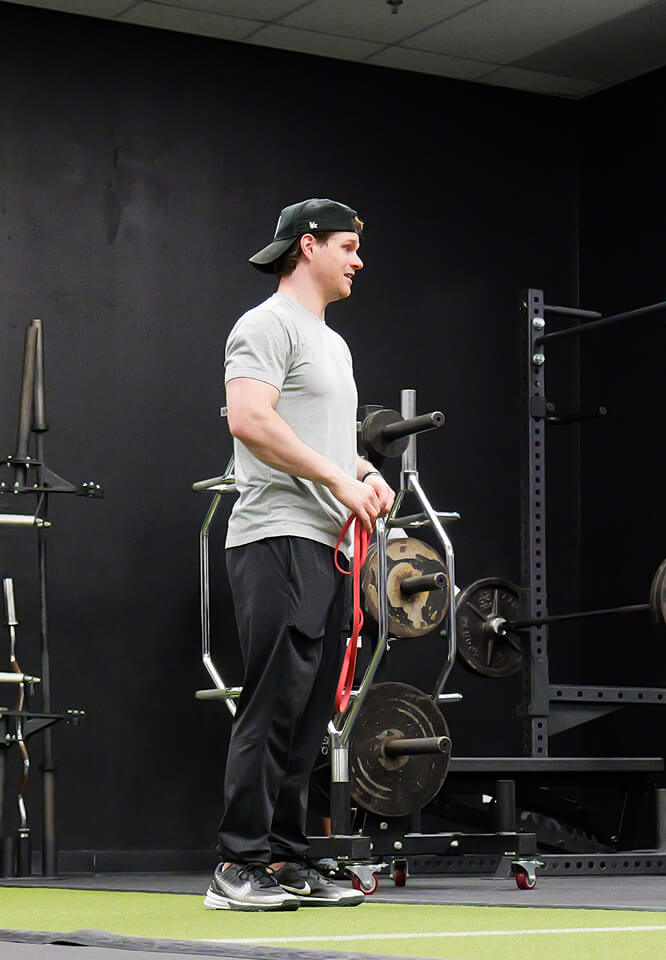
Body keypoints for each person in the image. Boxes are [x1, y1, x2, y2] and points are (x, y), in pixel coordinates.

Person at [205, 199, 393, 911]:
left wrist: (361, 471)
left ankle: (284, 860)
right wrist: (340, 477)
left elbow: (320, 437)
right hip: (276, 534)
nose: (358, 259)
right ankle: (237, 865)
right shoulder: (264, 325)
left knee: (310, 715)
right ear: (307, 246)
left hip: (326, 545)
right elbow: (251, 419)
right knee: (272, 704)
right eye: (347, 245)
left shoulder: (333, 344)